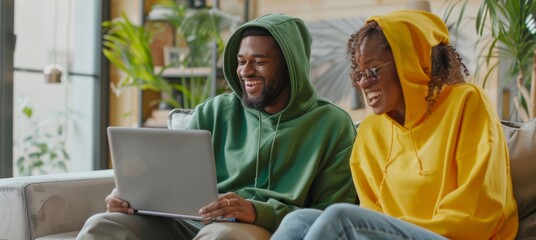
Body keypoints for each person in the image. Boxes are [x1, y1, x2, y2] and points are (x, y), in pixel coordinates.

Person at [77, 13, 357, 240]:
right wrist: (132, 195)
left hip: (259, 227)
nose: (246, 71)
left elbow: (332, 215)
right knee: (103, 225)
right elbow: (169, 174)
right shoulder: (215, 110)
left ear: (291, 66)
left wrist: (258, 211)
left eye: (259, 62)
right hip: (189, 220)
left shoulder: (332, 125)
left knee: (222, 236)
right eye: (241, 61)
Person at [271, 10, 518, 240]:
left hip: (462, 235)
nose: (364, 83)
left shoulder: (466, 103)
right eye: (360, 72)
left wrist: (393, 228)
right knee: (299, 220)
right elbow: (373, 214)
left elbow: (480, 207)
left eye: (374, 70)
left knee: (341, 218)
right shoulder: (370, 132)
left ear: (409, 62)